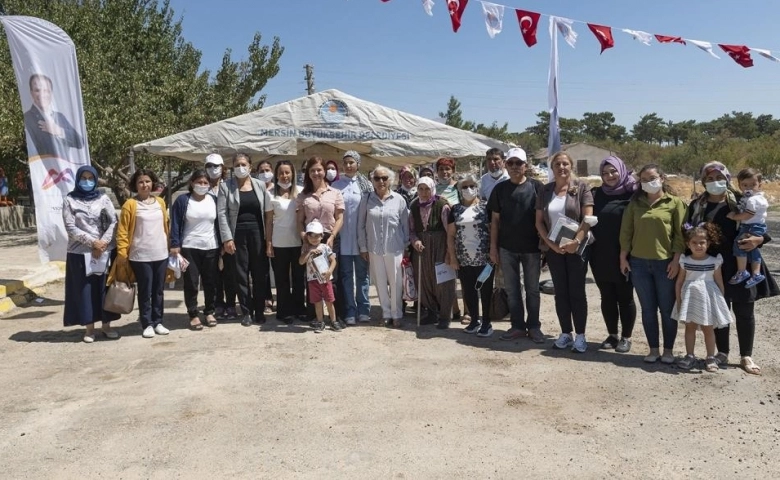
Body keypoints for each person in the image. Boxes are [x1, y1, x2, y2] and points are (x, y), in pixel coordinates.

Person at [686, 161, 778, 375]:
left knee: (744, 311)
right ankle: (722, 352)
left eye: (719, 178)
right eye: (709, 179)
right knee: (720, 311)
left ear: (727, 178)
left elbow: (761, 227)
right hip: (713, 266)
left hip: (740, 263)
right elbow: (689, 234)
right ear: (703, 182)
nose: (715, 182)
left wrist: (759, 240)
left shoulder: (742, 200)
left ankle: (746, 355)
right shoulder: (696, 205)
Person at [619, 164, 687, 363]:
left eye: (652, 178)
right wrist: (623, 257)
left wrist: (676, 260)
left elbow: (680, 235)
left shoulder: (674, 203)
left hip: (665, 264)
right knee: (648, 309)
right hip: (639, 264)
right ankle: (653, 349)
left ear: (662, 178)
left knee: (667, 309)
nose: (649, 182)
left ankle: (668, 350)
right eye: (644, 180)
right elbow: (626, 232)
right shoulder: (635, 204)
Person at [535, 152, 594, 353]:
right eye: (558, 164)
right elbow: (539, 222)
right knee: (561, 292)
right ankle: (565, 333)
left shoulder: (582, 188)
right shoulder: (545, 190)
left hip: (577, 249)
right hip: (554, 250)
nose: (562, 167)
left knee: (577, 292)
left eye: (565, 163)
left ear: (571, 166)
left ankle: (581, 336)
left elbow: (588, 218)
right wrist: (550, 245)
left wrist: (576, 241)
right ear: (552, 168)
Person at [488, 147, 545, 343]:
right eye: (510, 163)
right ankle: (518, 326)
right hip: (507, 248)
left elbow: (545, 218)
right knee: (512, 290)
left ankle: (534, 326)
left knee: (533, 290)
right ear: (505, 164)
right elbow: (494, 222)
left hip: (532, 249)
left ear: (525, 166)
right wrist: (493, 248)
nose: (514, 167)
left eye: (518, 163)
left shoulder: (537, 187)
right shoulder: (499, 189)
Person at [62, 165, 120, 342]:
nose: (87, 182)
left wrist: (102, 243)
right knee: (84, 289)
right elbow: (70, 227)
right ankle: (89, 329)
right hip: (80, 253)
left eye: (90, 178)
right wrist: (92, 242)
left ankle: (107, 325)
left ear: (95, 180)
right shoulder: (70, 200)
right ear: (78, 179)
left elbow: (113, 221)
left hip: (105, 251)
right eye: (83, 178)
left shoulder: (103, 198)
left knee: (105, 288)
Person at [217, 153, 272, 327]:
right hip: (237, 234)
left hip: (257, 233)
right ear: (233, 167)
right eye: (237, 164)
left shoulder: (260, 185)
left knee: (259, 273)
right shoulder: (226, 186)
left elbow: (266, 213)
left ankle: (259, 311)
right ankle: (246, 311)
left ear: (250, 166)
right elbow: (222, 214)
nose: (240, 167)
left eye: (243, 164)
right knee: (240, 274)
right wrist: (227, 238)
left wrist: (267, 239)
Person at [589, 156, 637, 353]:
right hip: (599, 253)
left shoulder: (633, 194)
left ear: (621, 170)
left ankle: (626, 337)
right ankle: (612, 335)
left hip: (625, 254)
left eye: (613, 171)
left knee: (625, 296)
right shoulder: (596, 193)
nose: (609, 176)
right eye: (605, 173)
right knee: (606, 296)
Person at [116, 169, 170, 338]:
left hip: (160, 253)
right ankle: (147, 323)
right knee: (146, 290)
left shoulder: (160, 202)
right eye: (141, 182)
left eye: (147, 181)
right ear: (135, 185)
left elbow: (165, 225)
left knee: (159, 290)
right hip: (140, 255)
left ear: (152, 183)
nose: (144, 184)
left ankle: (158, 321)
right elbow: (123, 231)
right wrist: (122, 253)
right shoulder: (130, 204)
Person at [673, 223, 732, 372]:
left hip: (708, 300)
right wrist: (679, 302)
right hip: (690, 299)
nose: (698, 245)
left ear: (708, 243)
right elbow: (679, 282)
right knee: (690, 327)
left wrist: (720, 303)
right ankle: (690, 355)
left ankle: (711, 357)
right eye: (694, 242)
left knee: (708, 328)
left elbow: (719, 282)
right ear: (688, 244)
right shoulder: (685, 260)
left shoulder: (714, 261)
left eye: (702, 242)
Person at [358, 166, 409, 327]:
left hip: (395, 248)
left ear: (390, 180)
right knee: (379, 282)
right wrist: (363, 247)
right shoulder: (366, 199)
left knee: (396, 283)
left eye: (384, 178)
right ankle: (386, 313)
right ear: (372, 180)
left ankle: (397, 314)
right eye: (377, 178)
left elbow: (405, 225)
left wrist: (406, 246)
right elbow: (361, 225)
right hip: (374, 248)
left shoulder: (399, 199)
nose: (381, 181)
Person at [296, 156, 345, 324]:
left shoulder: (335, 193)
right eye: (312, 170)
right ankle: (315, 316)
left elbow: (339, 218)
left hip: (329, 238)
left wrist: (332, 236)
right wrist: (305, 239)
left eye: (319, 170)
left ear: (324, 171)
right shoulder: (303, 196)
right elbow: (299, 221)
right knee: (312, 278)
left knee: (332, 277)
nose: (316, 173)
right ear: (308, 174)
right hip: (311, 239)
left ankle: (335, 316)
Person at [169, 169, 220, 330]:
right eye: (199, 182)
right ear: (192, 183)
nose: (202, 185)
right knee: (191, 283)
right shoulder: (183, 200)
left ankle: (209, 311)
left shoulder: (213, 200)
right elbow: (175, 223)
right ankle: (193, 314)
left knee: (210, 282)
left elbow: (219, 222)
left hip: (211, 246)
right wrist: (175, 244)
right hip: (190, 247)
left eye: (205, 183)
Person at [447, 175, 494, 336]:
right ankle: (474, 320)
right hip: (464, 258)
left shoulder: (486, 207)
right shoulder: (455, 210)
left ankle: (486, 322)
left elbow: (493, 230)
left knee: (486, 291)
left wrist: (494, 251)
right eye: (465, 187)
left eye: (472, 186)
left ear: (477, 187)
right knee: (469, 291)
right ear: (460, 190)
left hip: (484, 258)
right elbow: (451, 235)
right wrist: (453, 257)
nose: (469, 190)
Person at [332, 150, 373, 325]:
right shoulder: (336, 186)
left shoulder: (366, 186)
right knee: (346, 276)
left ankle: (364, 309)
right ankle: (350, 310)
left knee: (363, 276)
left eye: (352, 162)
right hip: (343, 240)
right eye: (346, 163)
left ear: (358, 164)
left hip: (361, 239)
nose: (348, 166)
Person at [410, 176, 456, 329]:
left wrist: (449, 251)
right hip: (421, 247)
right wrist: (415, 240)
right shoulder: (414, 205)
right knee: (424, 280)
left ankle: (445, 315)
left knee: (442, 280)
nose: (424, 192)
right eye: (421, 189)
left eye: (427, 189)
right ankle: (431, 312)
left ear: (432, 189)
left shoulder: (442, 205)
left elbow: (449, 231)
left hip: (440, 244)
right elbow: (411, 229)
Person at [266, 160, 306, 324]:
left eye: (287, 172)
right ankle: (284, 311)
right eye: (281, 173)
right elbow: (268, 221)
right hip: (279, 243)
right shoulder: (269, 194)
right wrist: (268, 242)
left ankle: (299, 308)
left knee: (298, 278)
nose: (284, 176)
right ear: (276, 175)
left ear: (293, 174)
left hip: (298, 242)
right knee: (282, 280)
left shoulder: (301, 192)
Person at [205, 153, 237, 320]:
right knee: (214, 273)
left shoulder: (230, 187)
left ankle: (231, 304)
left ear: (223, 168)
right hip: (210, 238)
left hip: (228, 236)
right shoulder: (203, 189)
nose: (213, 169)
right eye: (209, 166)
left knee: (230, 272)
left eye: (216, 166)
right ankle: (218, 303)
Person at [23, 74, 83, 159]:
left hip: (64, 170)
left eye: (46, 91)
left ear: (51, 93)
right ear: (31, 92)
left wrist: (59, 131)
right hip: (43, 170)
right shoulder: (27, 119)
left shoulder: (59, 117)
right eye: (37, 90)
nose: (42, 95)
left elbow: (79, 142)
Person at [726, 168, 769, 288]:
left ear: (759, 185)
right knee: (752, 249)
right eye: (745, 185)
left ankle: (742, 271)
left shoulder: (753, 200)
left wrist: (734, 216)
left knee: (740, 244)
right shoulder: (750, 198)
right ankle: (755, 273)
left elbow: (748, 215)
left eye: (752, 185)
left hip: (751, 226)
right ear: (739, 185)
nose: (748, 188)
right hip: (755, 226)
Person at [300, 220, 338, 333]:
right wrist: (309, 252)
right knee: (317, 302)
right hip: (312, 280)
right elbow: (301, 262)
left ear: (322, 236)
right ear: (307, 236)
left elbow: (333, 261)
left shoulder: (325, 247)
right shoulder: (306, 249)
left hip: (325, 279)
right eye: (311, 236)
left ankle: (333, 321)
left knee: (329, 301)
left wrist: (330, 271)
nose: (314, 238)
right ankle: (320, 321)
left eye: (317, 236)